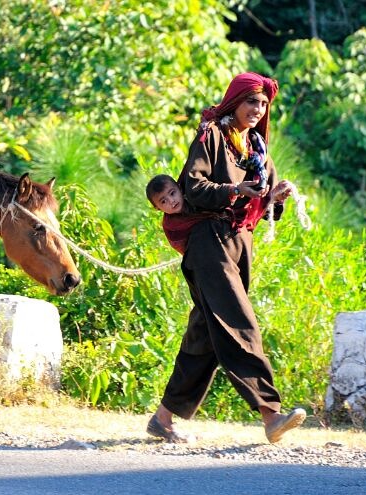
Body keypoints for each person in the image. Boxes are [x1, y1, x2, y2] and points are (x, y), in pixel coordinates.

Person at [145, 72, 304, 444]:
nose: (258, 109)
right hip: (207, 240)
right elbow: (194, 187)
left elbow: (263, 204)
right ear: (235, 101)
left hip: (239, 242)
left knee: (205, 334)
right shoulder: (211, 136)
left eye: (263, 104)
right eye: (252, 101)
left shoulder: (258, 147)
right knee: (237, 320)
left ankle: (163, 418)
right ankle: (270, 413)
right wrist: (235, 188)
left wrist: (275, 198)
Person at [146, 174, 292, 255]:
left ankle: (272, 197)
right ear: (157, 208)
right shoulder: (172, 226)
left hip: (230, 233)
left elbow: (217, 200)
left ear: (180, 187)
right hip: (206, 255)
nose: (171, 201)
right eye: (163, 201)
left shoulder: (195, 195)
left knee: (240, 209)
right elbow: (186, 249)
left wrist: (235, 191)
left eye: (172, 193)